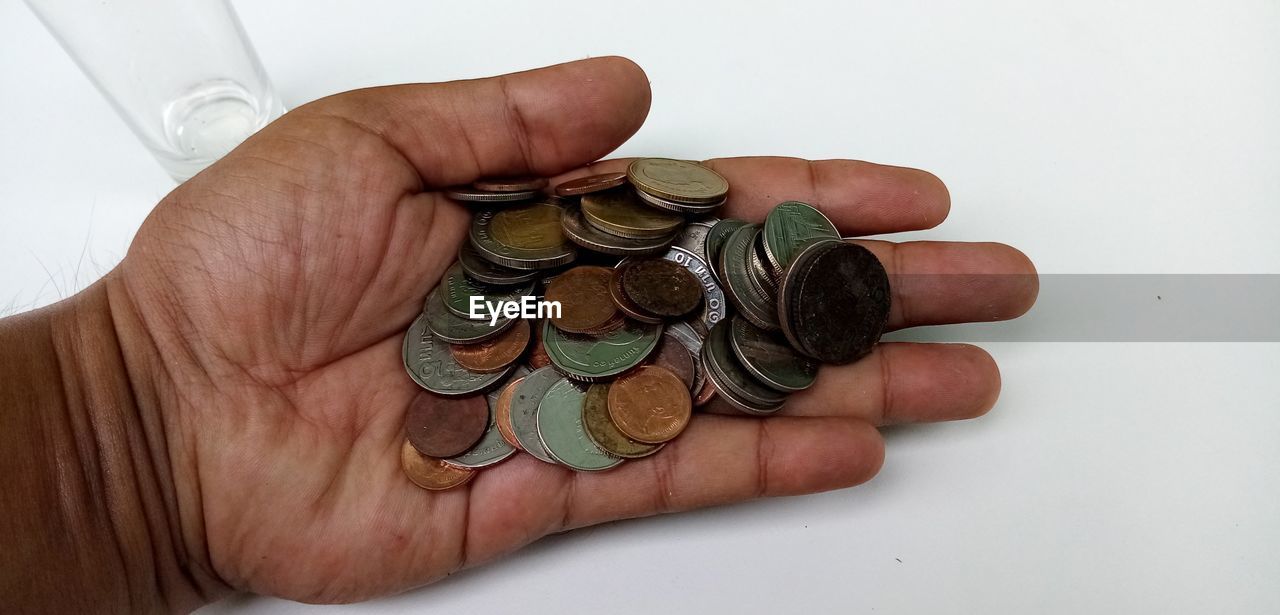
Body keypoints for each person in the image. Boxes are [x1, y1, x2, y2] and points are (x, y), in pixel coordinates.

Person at [0, 57, 1037, 613]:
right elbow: (528, 305)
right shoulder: (507, 292)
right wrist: (135, 409)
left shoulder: (580, 282)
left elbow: (543, 304)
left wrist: (129, 423)